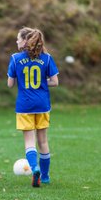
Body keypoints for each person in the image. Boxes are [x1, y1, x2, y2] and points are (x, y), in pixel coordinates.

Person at [7, 27, 59, 187]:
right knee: (43, 141)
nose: (16, 41)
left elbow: (10, 84)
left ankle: (34, 167)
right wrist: (43, 83)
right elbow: (55, 82)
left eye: (18, 38)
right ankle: (45, 176)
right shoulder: (47, 58)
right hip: (43, 104)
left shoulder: (15, 59)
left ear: (25, 41)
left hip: (25, 106)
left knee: (30, 142)